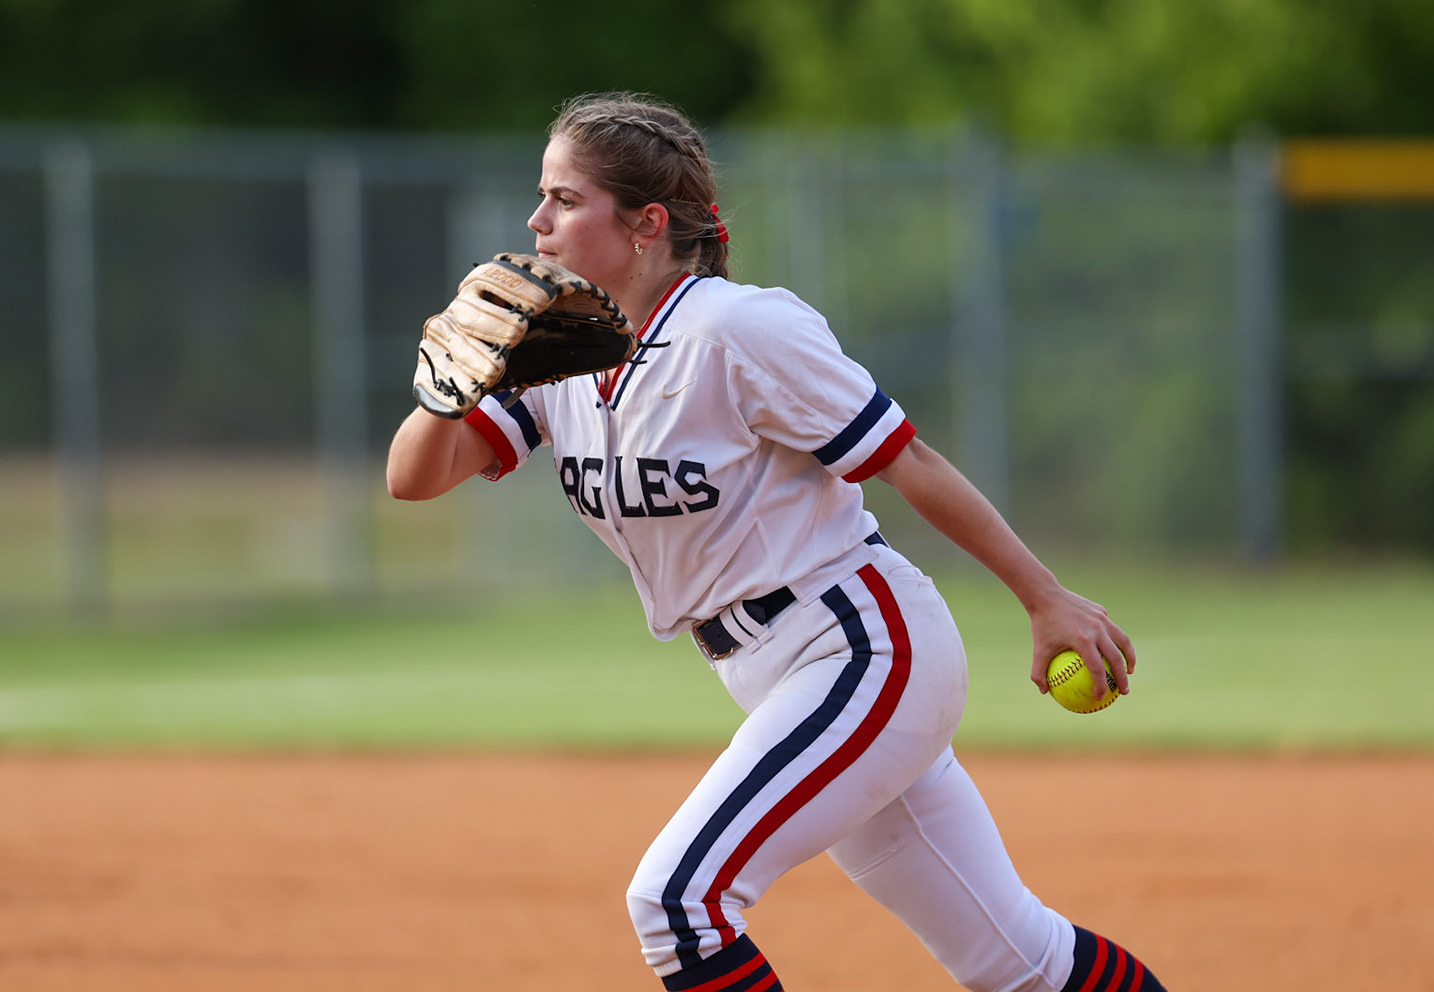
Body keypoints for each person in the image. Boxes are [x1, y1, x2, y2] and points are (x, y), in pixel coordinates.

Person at [386, 93, 1166, 992]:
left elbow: (907, 461)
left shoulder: (735, 328)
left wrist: (1044, 597)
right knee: (1018, 960)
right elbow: (415, 477)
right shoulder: (558, 349)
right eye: (542, 196)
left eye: (564, 198)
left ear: (646, 224)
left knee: (678, 902)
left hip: (862, 646)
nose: (537, 220)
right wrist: (447, 388)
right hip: (774, 673)